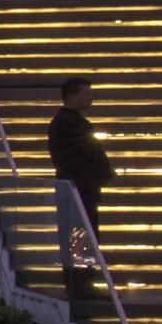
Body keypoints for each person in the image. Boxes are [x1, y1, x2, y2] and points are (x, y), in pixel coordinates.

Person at [47, 81, 115, 237]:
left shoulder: (66, 121)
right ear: (72, 95)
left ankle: (82, 260)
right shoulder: (70, 123)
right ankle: (84, 261)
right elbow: (90, 151)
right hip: (79, 187)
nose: (91, 98)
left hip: (77, 187)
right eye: (87, 93)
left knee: (80, 232)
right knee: (83, 231)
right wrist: (104, 172)